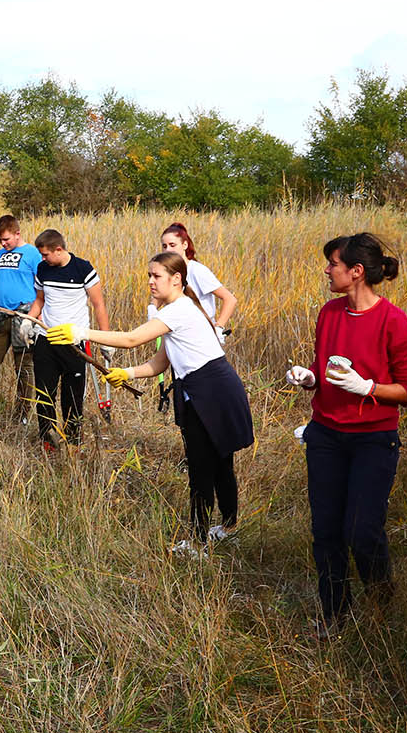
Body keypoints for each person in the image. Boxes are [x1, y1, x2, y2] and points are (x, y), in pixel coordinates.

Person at [46, 251, 253, 553]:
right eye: (149, 276)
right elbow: (160, 363)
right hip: (204, 388)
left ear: (177, 279)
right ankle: (226, 526)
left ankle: (199, 542)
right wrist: (127, 372)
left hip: (213, 391)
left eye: (156, 276)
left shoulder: (180, 310)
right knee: (215, 463)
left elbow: (131, 339)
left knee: (205, 467)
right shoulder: (175, 309)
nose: (150, 282)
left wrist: (81, 331)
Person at [284, 233, 407, 632]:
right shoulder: (329, 313)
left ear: (356, 272)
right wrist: (310, 378)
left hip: (373, 439)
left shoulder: (394, 322)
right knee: (325, 530)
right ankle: (334, 613)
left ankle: (382, 604)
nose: (327, 270)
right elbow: (326, 370)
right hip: (325, 434)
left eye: (334, 264)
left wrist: (370, 388)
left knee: (361, 529)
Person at [27, 229, 110, 450]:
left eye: (45, 254)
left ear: (59, 249)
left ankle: (73, 441)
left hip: (74, 342)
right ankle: (48, 441)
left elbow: (98, 304)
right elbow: (39, 300)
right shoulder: (43, 269)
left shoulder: (83, 269)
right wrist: (28, 321)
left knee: (72, 395)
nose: (42, 259)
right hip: (46, 339)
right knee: (44, 392)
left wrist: (106, 339)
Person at [0, 215, 41, 420]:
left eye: (6, 239)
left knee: (23, 366)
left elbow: (41, 291)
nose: (3, 243)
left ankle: (21, 415)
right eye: (0, 240)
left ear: (17, 233)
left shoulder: (33, 254)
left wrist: (32, 320)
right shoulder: (0, 254)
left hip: (22, 317)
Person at [158, 223, 238, 335]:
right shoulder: (168, 272)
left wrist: (218, 328)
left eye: (172, 245)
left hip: (201, 335)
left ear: (184, 245)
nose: (168, 250)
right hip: (178, 335)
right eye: (164, 246)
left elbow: (230, 299)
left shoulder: (197, 270)